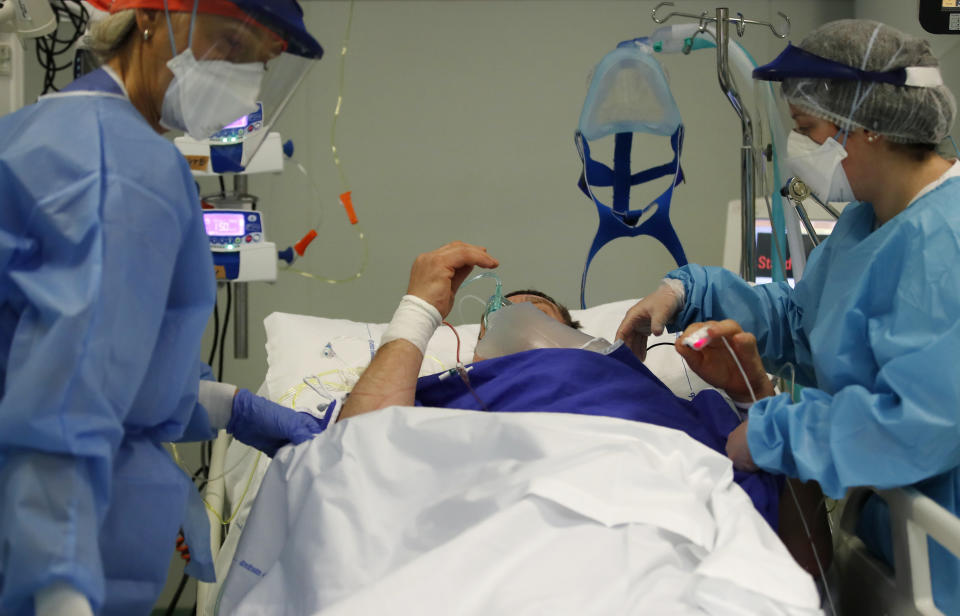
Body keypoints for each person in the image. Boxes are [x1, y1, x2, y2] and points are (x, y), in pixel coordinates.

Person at [615, 19, 960, 612]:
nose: (798, 149)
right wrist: (687, 290)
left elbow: (917, 425)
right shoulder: (866, 221)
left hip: (941, 555)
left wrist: (774, 433)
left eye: (807, 129)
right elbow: (805, 321)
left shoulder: (945, 240)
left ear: (867, 127)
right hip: (886, 532)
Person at [0, 1, 327, 614]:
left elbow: (91, 353)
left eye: (255, 64)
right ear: (150, 18)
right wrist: (60, 585)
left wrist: (226, 405)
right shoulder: (127, 166)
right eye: (227, 43)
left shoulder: (34, 134)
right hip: (56, 542)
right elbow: (70, 394)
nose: (237, 77)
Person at [335, 241, 833, 574]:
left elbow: (805, 565)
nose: (520, 318)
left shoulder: (685, 406)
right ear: (476, 343)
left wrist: (755, 399)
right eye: (502, 315)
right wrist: (418, 310)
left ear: (579, 335)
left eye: (539, 314)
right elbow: (348, 468)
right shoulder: (447, 395)